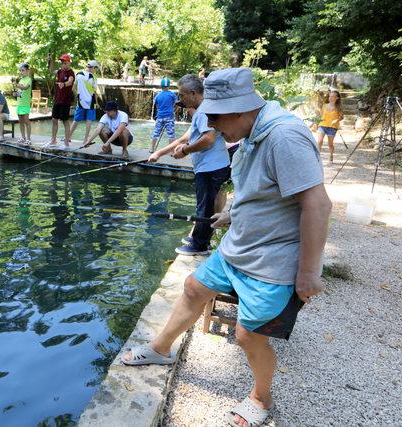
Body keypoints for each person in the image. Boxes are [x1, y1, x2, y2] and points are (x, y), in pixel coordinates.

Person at [124, 68, 332, 427]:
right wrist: (233, 213)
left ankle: (261, 398)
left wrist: (309, 273)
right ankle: (160, 350)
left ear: (239, 109)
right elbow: (259, 189)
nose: (213, 126)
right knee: (193, 287)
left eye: (216, 117)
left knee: (247, 335)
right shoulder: (248, 131)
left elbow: (317, 204)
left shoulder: (284, 137)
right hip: (240, 246)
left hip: (273, 258)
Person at [148, 74, 230, 256]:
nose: (180, 99)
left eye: (182, 95)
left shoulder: (203, 111)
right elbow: (187, 137)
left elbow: (207, 139)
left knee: (205, 207)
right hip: (211, 166)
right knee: (205, 204)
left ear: (193, 93)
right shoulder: (204, 108)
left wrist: (185, 151)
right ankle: (200, 238)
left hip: (211, 167)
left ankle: (200, 246)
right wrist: (160, 153)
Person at [45, 53, 75, 149]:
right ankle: (53, 140)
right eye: (62, 62)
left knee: (65, 121)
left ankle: (66, 143)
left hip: (65, 101)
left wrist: (64, 84)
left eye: (65, 62)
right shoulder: (60, 71)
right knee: (54, 119)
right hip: (58, 99)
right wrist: (50, 61)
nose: (63, 64)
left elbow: (70, 81)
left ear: (69, 62)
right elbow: (51, 71)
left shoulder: (71, 72)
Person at [71, 60, 100, 143]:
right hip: (92, 101)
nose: (95, 70)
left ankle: (68, 137)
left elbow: (73, 88)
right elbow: (94, 92)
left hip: (81, 101)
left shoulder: (79, 74)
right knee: (89, 120)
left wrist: (78, 96)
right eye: (96, 68)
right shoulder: (93, 77)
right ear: (93, 67)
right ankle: (86, 140)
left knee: (76, 120)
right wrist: (97, 103)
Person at [149, 76, 177, 153]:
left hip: (160, 116)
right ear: (168, 86)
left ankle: (152, 149)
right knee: (171, 134)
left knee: (156, 133)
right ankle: (172, 151)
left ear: (161, 86)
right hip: (169, 117)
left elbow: (157, 106)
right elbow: (175, 103)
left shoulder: (157, 95)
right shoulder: (172, 94)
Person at [317, 88, 343, 163]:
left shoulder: (338, 107)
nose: (330, 98)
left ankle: (331, 155)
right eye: (330, 96)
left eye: (332, 96)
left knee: (330, 144)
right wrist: (316, 122)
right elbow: (321, 115)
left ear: (337, 98)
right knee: (319, 141)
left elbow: (341, 117)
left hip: (332, 127)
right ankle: (318, 157)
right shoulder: (324, 106)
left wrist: (337, 120)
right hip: (322, 125)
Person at [16, 62, 33, 145]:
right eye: (20, 70)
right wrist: (16, 93)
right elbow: (19, 92)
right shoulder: (21, 80)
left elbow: (25, 87)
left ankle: (28, 139)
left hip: (25, 104)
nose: (21, 72)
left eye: (22, 70)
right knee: (20, 121)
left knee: (27, 121)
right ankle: (23, 137)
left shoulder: (28, 79)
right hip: (19, 104)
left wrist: (17, 85)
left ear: (27, 71)